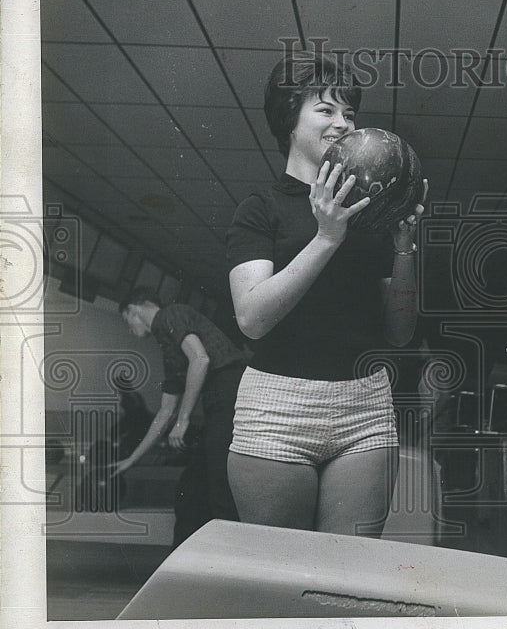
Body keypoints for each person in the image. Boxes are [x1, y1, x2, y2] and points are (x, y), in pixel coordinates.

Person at [225, 51, 425, 537]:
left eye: (349, 113)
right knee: (284, 578)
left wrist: (403, 250)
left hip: (365, 407)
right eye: (326, 110)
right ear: (289, 121)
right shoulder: (260, 209)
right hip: (277, 408)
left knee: (349, 577)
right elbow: (252, 318)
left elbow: (399, 334)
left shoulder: (371, 211)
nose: (343, 123)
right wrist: (327, 236)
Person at [115, 288, 245, 547]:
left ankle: (231, 557)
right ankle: (189, 560)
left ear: (135, 308)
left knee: (218, 487)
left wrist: (183, 420)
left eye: (126, 320)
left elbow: (201, 359)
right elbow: (164, 412)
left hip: (231, 392)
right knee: (193, 488)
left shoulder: (169, 316)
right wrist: (132, 459)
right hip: (218, 402)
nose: (129, 329)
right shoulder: (169, 349)